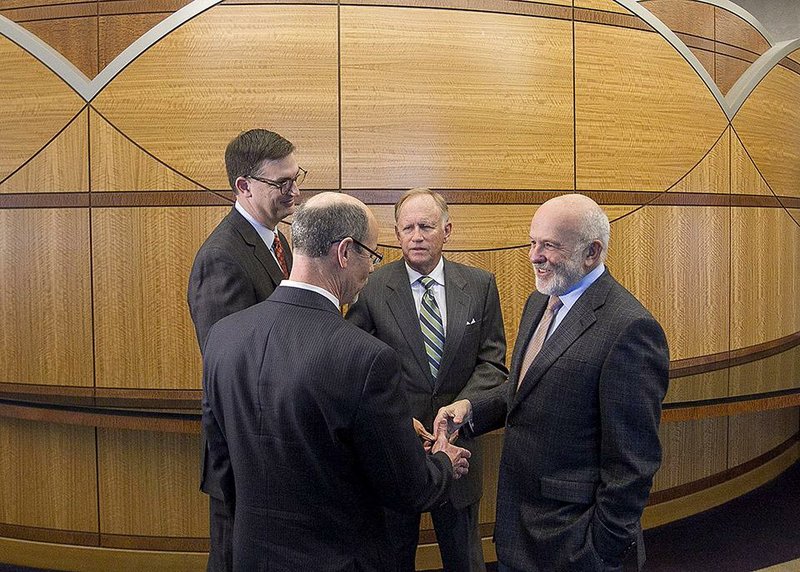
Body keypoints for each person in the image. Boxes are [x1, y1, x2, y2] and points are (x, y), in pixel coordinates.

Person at [201, 192, 472, 571]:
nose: (373, 269)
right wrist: (443, 460)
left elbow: (222, 462)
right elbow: (408, 489)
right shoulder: (365, 358)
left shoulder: (224, 336)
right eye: (371, 255)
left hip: (250, 556)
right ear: (344, 252)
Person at [435, 194, 670, 571]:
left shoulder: (630, 329)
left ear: (592, 252)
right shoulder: (539, 301)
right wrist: (470, 410)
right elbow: (527, 390)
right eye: (532, 242)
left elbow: (632, 466)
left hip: (574, 547)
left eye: (549, 245)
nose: (533, 255)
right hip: (519, 533)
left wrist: (599, 551)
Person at [347, 188, 507, 571]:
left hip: (459, 450)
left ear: (447, 230)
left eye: (426, 226)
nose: (416, 236)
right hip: (397, 449)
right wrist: (397, 417)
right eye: (408, 228)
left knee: (464, 559)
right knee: (392, 557)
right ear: (397, 234)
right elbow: (353, 365)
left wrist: (462, 410)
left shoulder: (480, 285)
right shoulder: (371, 288)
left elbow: (493, 364)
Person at [187, 128, 303, 571]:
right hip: (245, 458)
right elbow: (231, 370)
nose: (295, 192)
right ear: (244, 186)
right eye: (282, 183)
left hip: (275, 451)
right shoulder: (222, 256)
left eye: (297, 177)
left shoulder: (278, 242)